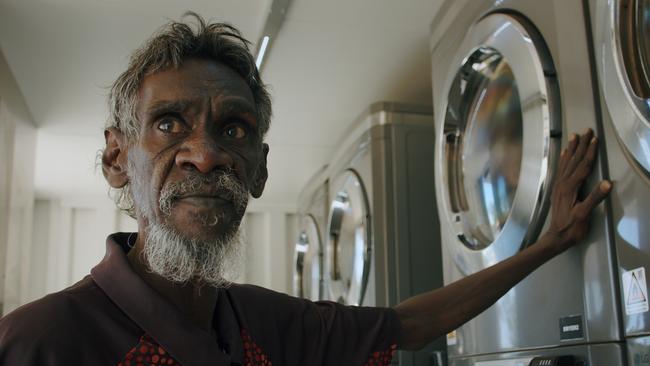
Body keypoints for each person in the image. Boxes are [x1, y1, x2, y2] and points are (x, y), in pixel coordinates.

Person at [0, 13, 611, 366]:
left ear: (259, 170)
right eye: (168, 125)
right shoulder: (40, 341)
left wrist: (550, 243)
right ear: (116, 158)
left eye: (233, 128)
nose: (207, 154)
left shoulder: (263, 323)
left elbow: (411, 323)